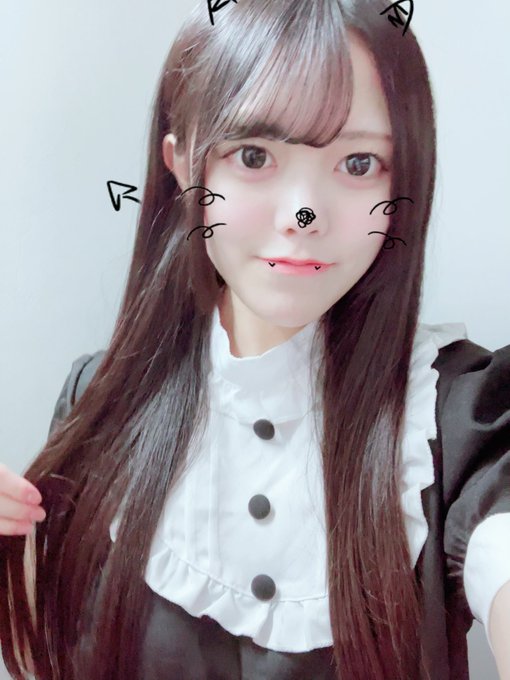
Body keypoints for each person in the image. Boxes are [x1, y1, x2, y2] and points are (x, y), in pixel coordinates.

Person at [1, 0, 509, 678]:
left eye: (359, 163)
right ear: (185, 168)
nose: (303, 213)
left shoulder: (458, 422)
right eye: (254, 155)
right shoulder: (97, 402)